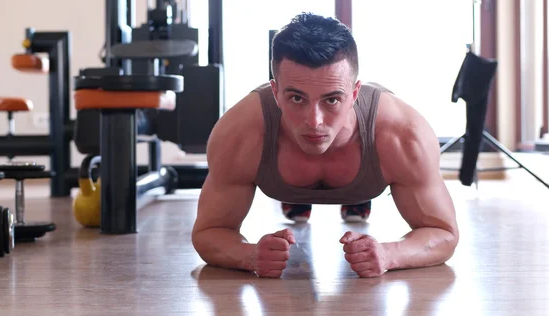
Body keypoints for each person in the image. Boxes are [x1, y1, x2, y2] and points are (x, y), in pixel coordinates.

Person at [191, 13, 459, 278]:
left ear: (354, 93)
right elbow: (208, 232)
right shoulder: (240, 134)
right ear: (275, 92)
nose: (314, 121)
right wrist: (248, 255)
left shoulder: (403, 135)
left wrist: (390, 254)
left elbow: (444, 234)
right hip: (280, 147)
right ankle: (298, 195)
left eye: (331, 100)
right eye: (297, 98)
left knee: (361, 155)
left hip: (365, 147)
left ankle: (355, 196)